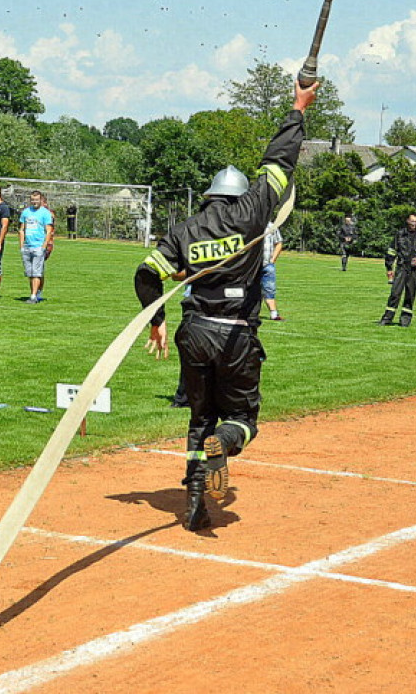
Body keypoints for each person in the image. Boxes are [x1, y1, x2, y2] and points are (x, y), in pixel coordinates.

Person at [134, 79, 318, 531]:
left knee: (198, 418)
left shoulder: (185, 230)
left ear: (210, 197)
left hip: (194, 333)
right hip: (235, 334)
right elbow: (278, 162)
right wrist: (298, 107)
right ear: (238, 196)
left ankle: (195, 501)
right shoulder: (253, 212)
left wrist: (156, 320)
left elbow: (146, 274)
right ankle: (226, 440)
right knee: (240, 420)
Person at [378, 213, 416, 327]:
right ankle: (387, 318)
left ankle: (405, 320)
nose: (413, 224)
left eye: (415, 222)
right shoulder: (400, 235)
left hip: (414, 270)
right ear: (407, 221)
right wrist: (389, 267)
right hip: (401, 267)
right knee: (395, 293)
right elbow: (391, 251)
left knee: (410, 295)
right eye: (411, 221)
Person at [19, 191, 54, 304]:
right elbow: (21, 229)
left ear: (41, 200)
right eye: (33, 200)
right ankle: (35, 292)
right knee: (30, 273)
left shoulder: (45, 213)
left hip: (38, 246)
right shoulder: (26, 212)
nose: (34, 202)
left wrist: (43, 246)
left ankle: (33, 295)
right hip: (27, 246)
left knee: (36, 272)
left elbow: (49, 231)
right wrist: (21, 245)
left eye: (37, 200)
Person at [261, 225, 285, 320]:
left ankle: (274, 314)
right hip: (252, 266)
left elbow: (279, 243)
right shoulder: (250, 223)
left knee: (270, 290)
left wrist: (273, 260)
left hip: (267, 265)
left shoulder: (272, 226)